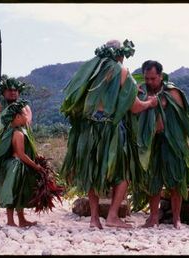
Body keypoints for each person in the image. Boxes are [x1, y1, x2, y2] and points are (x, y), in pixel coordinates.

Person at [60, 39, 158, 229]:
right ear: (121, 54)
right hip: (109, 129)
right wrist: (149, 103)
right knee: (123, 173)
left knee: (93, 172)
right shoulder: (121, 71)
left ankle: (94, 219)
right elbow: (135, 107)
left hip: (88, 129)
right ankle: (113, 216)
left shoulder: (90, 70)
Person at [135, 60, 189, 229]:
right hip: (151, 143)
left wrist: (162, 102)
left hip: (172, 141)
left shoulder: (173, 92)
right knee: (153, 180)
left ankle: (177, 219)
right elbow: (134, 110)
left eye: (153, 79)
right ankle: (153, 217)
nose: (149, 82)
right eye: (147, 78)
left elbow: (183, 117)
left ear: (160, 76)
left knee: (176, 180)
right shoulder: (140, 91)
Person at [0, 99, 45, 227]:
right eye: (25, 114)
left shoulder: (15, 131)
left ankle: (22, 219)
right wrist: (36, 166)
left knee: (18, 192)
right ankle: (10, 221)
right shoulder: (18, 133)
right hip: (16, 166)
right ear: (18, 116)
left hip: (15, 165)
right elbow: (21, 154)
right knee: (12, 192)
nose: (27, 117)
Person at [0, 76, 31, 212]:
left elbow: (26, 123)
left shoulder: (24, 106)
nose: (13, 92)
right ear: (3, 92)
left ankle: (17, 202)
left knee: (16, 173)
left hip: (17, 142)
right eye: (9, 90)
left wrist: (4, 114)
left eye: (15, 90)